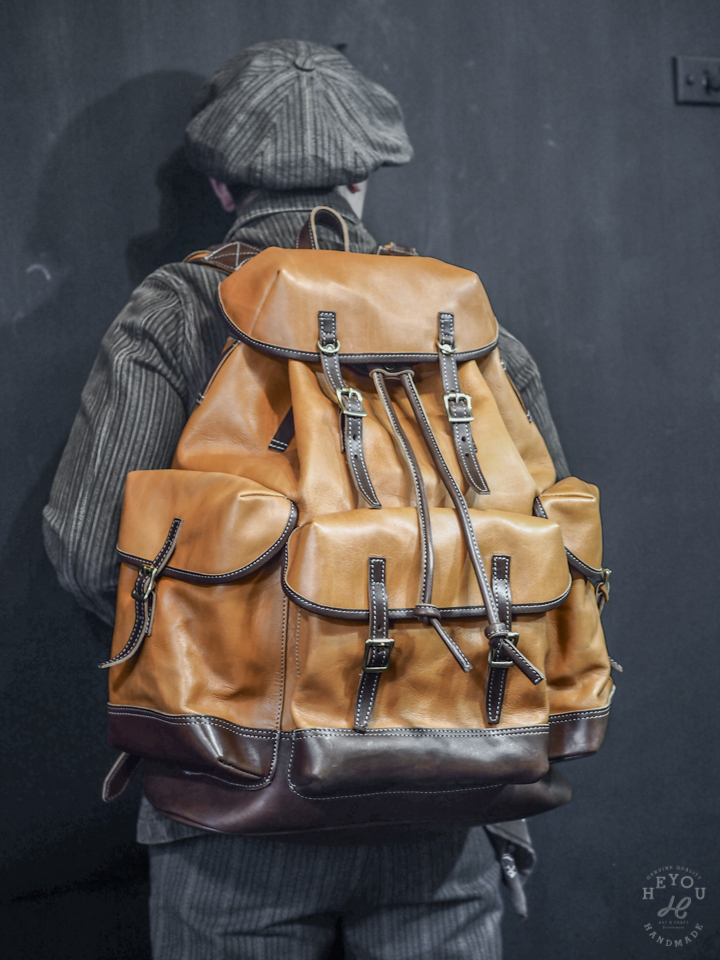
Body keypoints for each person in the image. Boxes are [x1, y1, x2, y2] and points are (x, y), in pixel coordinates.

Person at [43, 39, 570, 960]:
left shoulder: (177, 311)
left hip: (234, 803)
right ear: (361, 177)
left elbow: (93, 553)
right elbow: (548, 554)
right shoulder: (464, 321)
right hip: (449, 800)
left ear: (222, 187)